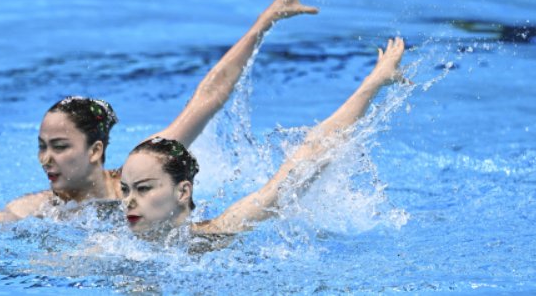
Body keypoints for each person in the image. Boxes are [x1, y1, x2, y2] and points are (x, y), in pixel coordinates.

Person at [0, 0, 319, 226]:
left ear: (95, 151)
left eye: (59, 147)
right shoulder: (41, 209)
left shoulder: (146, 169)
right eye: (42, 146)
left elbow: (208, 98)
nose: (46, 159)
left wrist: (264, 21)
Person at [120, 38, 408, 237]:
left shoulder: (216, 235)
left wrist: (373, 83)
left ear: (182, 192)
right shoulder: (107, 248)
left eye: (143, 189)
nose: (128, 202)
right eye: (124, 190)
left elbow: (309, 156)